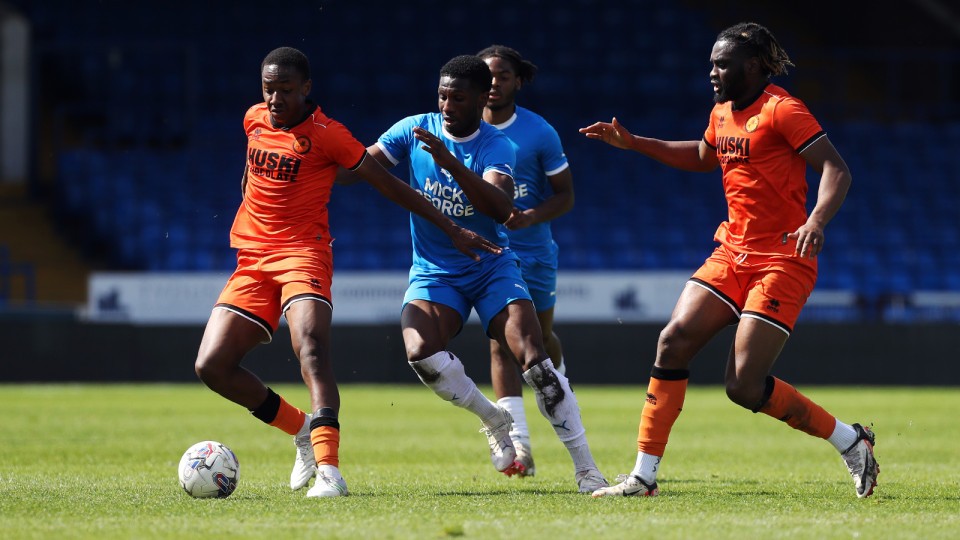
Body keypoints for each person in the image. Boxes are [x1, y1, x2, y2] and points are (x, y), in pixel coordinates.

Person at [580, 22, 878, 498]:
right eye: (712, 64)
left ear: (754, 66)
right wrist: (635, 143)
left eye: (722, 64)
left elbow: (836, 168)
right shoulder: (721, 112)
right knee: (672, 341)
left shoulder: (783, 109)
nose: (713, 73)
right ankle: (643, 476)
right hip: (731, 252)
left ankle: (849, 439)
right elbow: (705, 155)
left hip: (783, 259)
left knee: (743, 387)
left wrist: (817, 221)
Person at [193, 47, 501, 499]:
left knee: (311, 349)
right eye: (268, 89)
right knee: (212, 366)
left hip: (303, 254)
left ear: (306, 88)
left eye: (285, 90)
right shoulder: (253, 119)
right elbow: (251, 173)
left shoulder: (329, 135)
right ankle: (302, 430)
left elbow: (389, 184)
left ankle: (329, 472)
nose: (275, 99)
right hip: (252, 259)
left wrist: (452, 228)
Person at [363, 54, 606, 492]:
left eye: (458, 98)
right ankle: (494, 419)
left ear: (480, 100)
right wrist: (325, 151)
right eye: (442, 96)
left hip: (491, 264)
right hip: (436, 270)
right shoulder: (414, 129)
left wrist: (451, 162)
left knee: (535, 360)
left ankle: (587, 470)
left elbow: (499, 207)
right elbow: (362, 166)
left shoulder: (498, 144)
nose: (446, 106)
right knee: (420, 352)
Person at [476, 45, 575, 478]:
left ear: (518, 81)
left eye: (503, 76)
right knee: (501, 342)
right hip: (492, 253)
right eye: (487, 76)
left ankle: (561, 384)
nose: (494, 83)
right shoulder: (461, 129)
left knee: (541, 341)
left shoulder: (539, 132)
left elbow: (566, 195)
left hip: (534, 252)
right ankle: (519, 447)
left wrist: (530, 216)